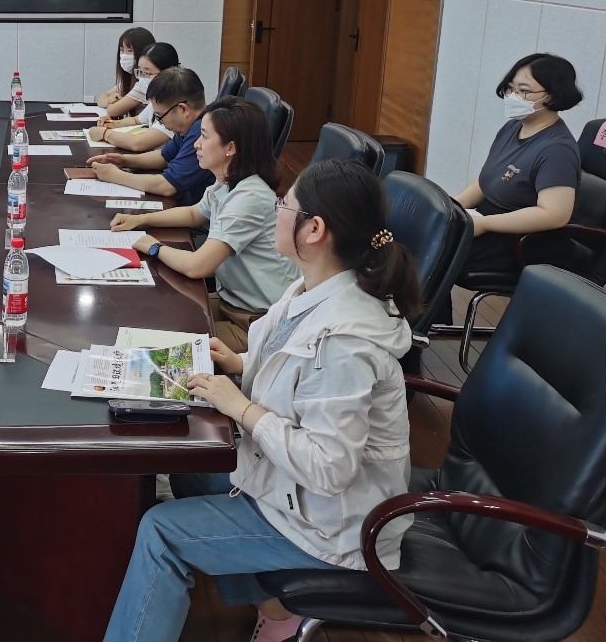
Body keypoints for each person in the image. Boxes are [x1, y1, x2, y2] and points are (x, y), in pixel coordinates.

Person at [104, 159, 422, 642]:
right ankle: (273, 606)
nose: (276, 212)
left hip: (332, 523)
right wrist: (239, 362)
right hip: (298, 490)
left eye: (284, 205)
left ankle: (270, 603)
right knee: (189, 471)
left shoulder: (344, 343)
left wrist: (242, 408)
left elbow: (329, 468)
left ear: (314, 230)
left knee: (161, 533)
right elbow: (291, 368)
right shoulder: (314, 287)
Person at [111, 96, 298, 352]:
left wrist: (154, 246)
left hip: (258, 323)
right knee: (154, 314)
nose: (196, 144)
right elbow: (194, 214)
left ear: (230, 148)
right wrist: (141, 219)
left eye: (205, 137)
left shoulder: (249, 198)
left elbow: (196, 266)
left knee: (160, 341)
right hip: (233, 303)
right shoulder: (227, 181)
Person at [433, 52, 582, 326]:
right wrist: (450, 207)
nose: (513, 96)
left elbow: (554, 214)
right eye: (511, 88)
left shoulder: (557, 149)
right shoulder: (512, 128)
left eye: (524, 91)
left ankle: (425, 331)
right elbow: (485, 182)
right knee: (425, 235)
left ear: (552, 96)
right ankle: (423, 325)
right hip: (488, 225)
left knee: (432, 251)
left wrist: (485, 224)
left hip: (522, 243)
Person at [87, 66, 214, 204]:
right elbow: (164, 157)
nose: (160, 122)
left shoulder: (202, 133)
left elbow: (167, 186)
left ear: (183, 109)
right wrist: (123, 160)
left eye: (160, 116)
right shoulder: (189, 126)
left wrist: (115, 176)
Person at [89, 42, 179, 153]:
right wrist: (112, 124)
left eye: (147, 73)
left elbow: (138, 144)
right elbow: (136, 120)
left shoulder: (173, 104)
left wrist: (104, 134)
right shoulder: (156, 98)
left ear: (168, 73)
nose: (142, 78)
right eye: (140, 72)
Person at [95, 26, 156, 110]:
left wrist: (116, 103)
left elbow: (113, 110)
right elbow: (101, 98)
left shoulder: (145, 82)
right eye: (122, 50)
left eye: (130, 51)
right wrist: (109, 100)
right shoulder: (129, 79)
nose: (124, 55)